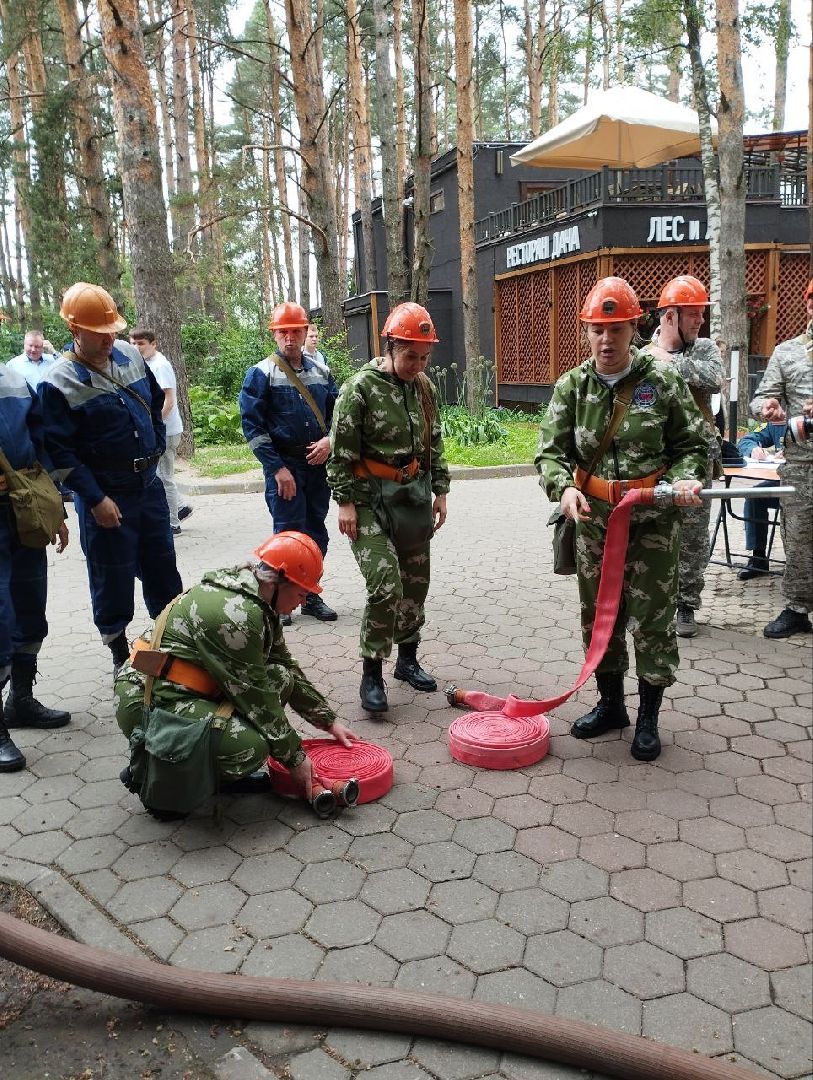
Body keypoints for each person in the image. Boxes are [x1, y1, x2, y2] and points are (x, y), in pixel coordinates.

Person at [536, 277, 708, 762]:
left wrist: (685, 479)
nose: (606, 340)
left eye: (617, 329)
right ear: (586, 331)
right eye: (597, 330)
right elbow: (549, 453)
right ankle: (611, 705)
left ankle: (649, 718)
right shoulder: (572, 387)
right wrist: (563, 487)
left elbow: (693, 446)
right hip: (594, 524)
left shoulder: (662, 381)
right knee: (600, 619)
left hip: (652, 522)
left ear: (636, 327)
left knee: (653, 618)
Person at [114, 531, 357, 819]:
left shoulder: (258, 599)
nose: (303, 603)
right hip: (149, 698)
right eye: (302, 593)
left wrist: (329, 722)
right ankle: (161, 784)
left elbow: (284, 666)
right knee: (252, 746)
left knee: (280, 676)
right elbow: (258, 700)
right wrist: (297, 760)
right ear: (278, 580)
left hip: (190, 687)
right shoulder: (236, 614)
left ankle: (212, 771)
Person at [38, 282, 182, 674]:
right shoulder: (58, 382)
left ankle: (171, 649)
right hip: (106, 496)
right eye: (99, 334)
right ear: (74, 331)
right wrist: (94, 497)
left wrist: (152, 450)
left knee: (163, 569)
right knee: (112, 577)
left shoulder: (131, 357)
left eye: (112, 331)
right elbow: (58, 452)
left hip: (147, 487)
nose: (108, 340)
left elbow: (154, 403)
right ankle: (121, 655)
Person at [328, 301, 450, 714]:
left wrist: (441, 490)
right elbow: (340, 453)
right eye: (409, 355)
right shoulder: (358, 389)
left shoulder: (424, 388)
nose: (417, 364)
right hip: (366, 501)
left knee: (415, 583)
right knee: (386, 585)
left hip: (411, 496)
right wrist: (344, 502)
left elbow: (434, 443)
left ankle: (408, 661)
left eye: (423, 356)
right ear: (390, 345)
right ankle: (372, 672)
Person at [240, 302, 339, 625]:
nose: (290, 338)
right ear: (275, 335)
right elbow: (253, 427)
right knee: (286, 535)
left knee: (315, 534)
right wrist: (277, 469)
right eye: (283, 332)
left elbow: (340, 415)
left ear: (305, 332)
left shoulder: (321, 371)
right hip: (285, 468)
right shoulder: (261, 374)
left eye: (295, 331)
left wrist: (331, 441)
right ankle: (277, 602)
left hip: (317, 466)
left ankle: (309, 595)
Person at [641, 275, 724, 638]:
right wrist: (656, 356)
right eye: (693, 315)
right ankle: (649, 599)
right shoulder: (642, 357)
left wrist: (666, 360)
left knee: (692, 534)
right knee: (653, 530)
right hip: (654, 460)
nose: (700, 321)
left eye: (701, 315)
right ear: (670, 316)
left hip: (696, 458)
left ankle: (686, 604)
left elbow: (714, 378)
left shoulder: (703, 350)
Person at [1, 361, 71, 772]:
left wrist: (55, 506)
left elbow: (40, 445)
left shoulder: (15, 380)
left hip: (23, 509)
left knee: (30, 608)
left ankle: (21, 701)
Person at [749, 279, 813, 638]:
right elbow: (760, 400)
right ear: (807, 306)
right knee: (799, 540)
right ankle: (797, 609)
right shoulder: (787, 353)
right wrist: (768, 408)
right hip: (801, 466)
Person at [129, 328, 193, 535]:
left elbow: (169, 400)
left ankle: (173, 523)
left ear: (153, 344)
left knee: (164, 477)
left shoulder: (160, 365)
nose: (137, 348)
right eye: (133, 343)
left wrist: (153, 426)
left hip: (167, 431)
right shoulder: (143, 365)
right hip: (159, 430)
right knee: (157, 475)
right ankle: (180, 507)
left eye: (141, 344)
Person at [735, 422, 785, 580]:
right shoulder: (776, 423)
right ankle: (759, 559)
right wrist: (752, 450)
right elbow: (745, 441)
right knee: (755, 495)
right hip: (784, 483)